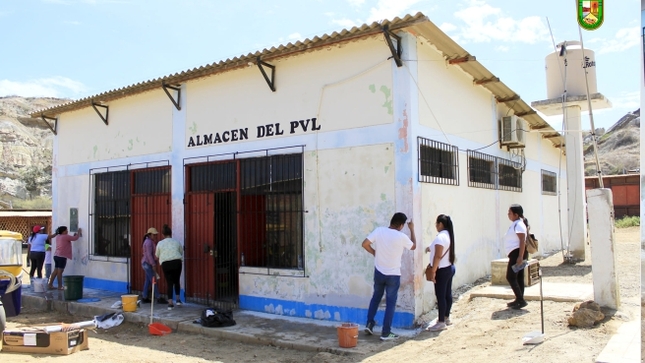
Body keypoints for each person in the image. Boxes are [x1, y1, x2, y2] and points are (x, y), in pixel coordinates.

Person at [362, 212, 416, 341]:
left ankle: (369, 323)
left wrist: (375, 252)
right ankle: (386, 332)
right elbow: (413, 246)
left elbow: (364, 244)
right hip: (393, 275)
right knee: (390, 304)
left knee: (376, 298)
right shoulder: (401, 236)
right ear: (402, 225)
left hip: (379, 272)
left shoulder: (379, 231)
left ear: (391, 221)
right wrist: (412, 229)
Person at [424, 214, 456, 332]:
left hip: (441, 270)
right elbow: (438, 250)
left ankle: (441, 321)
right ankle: (446, 317)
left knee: (440, 296)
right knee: (447, 294)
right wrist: (430, 248)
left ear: (440, 224)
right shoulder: (449, 235)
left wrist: (433, 271)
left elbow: (438, 256)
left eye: (436, 224)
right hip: (449, 267)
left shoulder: (440, 237)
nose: (436, 226)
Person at [505, 204, 529, 309]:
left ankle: (520, 299)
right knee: (518, 277)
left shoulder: (519, 224)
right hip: (515, 253)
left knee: (510, 276)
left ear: (516, 214)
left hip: (517, 253)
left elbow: (522, 240)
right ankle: (519, 299)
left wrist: (520, 256)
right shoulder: (516, 224)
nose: (508, 215)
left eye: (510, 213)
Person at [155, 224, 183, 310]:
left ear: (163, 235)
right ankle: (178, 300)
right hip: (177, 262)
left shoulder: (160, 243)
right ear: (171, 233)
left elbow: (157, 255)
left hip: (166, 263)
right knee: (177, 280)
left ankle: (170, 303)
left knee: (169, 282)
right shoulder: (176, 241)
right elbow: (181, 252)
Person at [48, 226, 82, 290]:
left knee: (55, 271)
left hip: (56, 256)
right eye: (66, 230)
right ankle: (60, 286)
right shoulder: (66, 236)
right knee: (60, 272)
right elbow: (75, 238)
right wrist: (79, 232)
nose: (67, 231)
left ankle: (50, 284)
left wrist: (75, 235)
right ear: (63, 231)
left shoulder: (58, 236)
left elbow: (71, 238)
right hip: (62, 257)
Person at [141, 227, 167, 304]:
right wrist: (153, 264)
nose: (155, 236)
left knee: (148, 281)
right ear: (150, 235)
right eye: (154, 235)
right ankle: (158, 297)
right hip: (148, 263)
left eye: (156, 235)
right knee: (153, 280)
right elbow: (149, 255)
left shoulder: (149, 241)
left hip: (146, 263)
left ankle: (144, 297)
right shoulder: (149, 242)